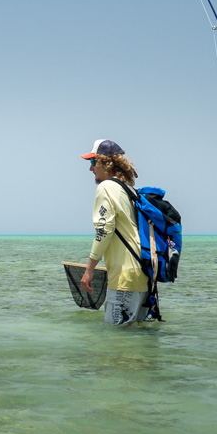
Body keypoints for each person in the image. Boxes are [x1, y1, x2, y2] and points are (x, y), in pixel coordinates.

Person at [78, 139, 152, 326]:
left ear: (105, 162)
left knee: (115, 338)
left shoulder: (106, 187)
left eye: (93, 162)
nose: (91, 169)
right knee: (132, 339)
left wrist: (89, 270)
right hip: (143, 275)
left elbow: (104, 229)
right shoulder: (128, 190)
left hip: (124, 278)